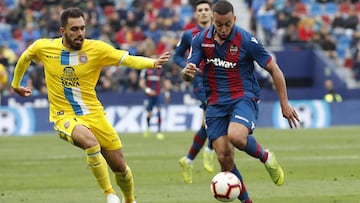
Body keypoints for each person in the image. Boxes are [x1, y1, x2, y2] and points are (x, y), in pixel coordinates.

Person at [11, 7, 170, 203]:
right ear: (63, 31)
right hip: (64, 115)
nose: (80, 34)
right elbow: (25, 57)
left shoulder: (97, 49)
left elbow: (127, 60)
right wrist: (15, 84)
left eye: (83, 28)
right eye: (74, 29)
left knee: (120, 166)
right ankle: (109, 194)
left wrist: (152, 63)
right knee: (90, 143)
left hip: (94, 114)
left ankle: (129, 199)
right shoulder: (44, 47)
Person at [182, 1, 300, 202]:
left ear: (234, 19)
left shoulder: (246, 40)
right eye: (219, 24)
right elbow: (188, 73)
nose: (223, 28)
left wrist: (285, 104)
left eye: (228, 23)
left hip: (242, 97)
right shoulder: (200, 40)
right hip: (215, 103)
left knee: (236, 137)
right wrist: (187, 73)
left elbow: (274, 70)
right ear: (213, 20)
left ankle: (266, 157)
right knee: (223, 158)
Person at [173, 0, 215, 184]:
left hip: (220, 81)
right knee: (214, 117)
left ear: (212, 13)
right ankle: (209, 151)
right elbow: (176, 56)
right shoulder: (189, 35)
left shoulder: (219, 32)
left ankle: (188, 160)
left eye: (207, 9)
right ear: (196, 14)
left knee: (209, 122)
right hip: (200, 82)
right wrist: (188, 66)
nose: (204, 12)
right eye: (200, 10)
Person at [139, 65, 171, 140]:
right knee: (149, 113)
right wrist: (148, 90)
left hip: (158, 94)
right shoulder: (145, 70)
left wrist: (167, 94)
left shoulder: (161, 70)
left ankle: (159, 132)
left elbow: (164, 82)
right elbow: (141, 83)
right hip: (149, 95)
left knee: (159, 110)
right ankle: (147, 129)